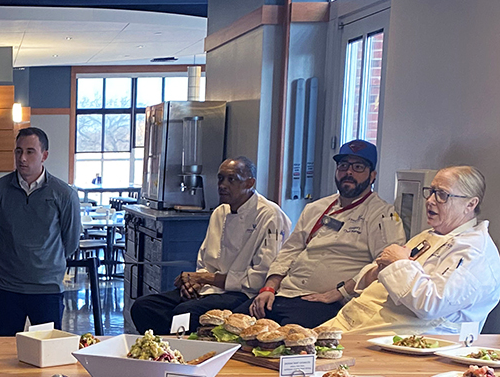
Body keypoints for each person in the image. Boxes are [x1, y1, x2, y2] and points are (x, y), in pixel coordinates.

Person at [243, 140, 405, 328]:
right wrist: (269, 287)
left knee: (286, 341)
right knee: (229, 326)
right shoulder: (315, 208)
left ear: (372, 176)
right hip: (285, 294)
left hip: (327, 304)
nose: (349, 172)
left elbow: (383, 265)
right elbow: (290, 251)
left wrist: (340, 292)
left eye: (358, 167)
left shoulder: (383, 215)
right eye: (343, 166)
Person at [323, 166, 500, 336]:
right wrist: (379, 270)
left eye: (442, 195)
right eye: (431, 191)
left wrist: (399, 263)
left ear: (470, 204)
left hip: (398, 337)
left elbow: (431, 304)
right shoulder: (429, 235)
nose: (430, 200)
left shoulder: (476, 253)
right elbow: (373, 276)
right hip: (355, 318)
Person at [129, 157, 291, 334]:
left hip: (243, 294)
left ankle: (183, 356)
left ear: (250, 183)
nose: (222, 185)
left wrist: (203, 279)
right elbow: (205, 262)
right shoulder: (220, 212)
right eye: (220, 178)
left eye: (232, 179)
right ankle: (164, 353)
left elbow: (259, 278)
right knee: (144, 306)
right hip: (209, 289)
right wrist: (193, 284)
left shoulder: (270, 215)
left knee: (184, 314)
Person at [0, 127, 81, 336]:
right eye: (18, 151)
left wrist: (46, 261)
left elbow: (71, 241)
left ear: (44, 155)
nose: (23, 158)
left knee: (47, 355)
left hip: (47, 289)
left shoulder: (64, 194)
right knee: (5, 351)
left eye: (30, 152)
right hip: (7, 287)